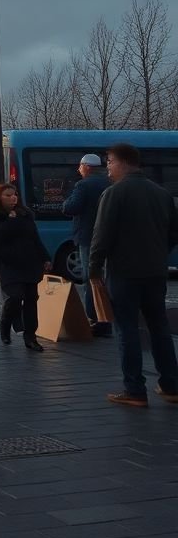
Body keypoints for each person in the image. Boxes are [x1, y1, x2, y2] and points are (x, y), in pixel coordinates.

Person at [88, 142, 178, 407]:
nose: (107, 168)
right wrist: (159, 252)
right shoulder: (162, 193)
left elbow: (101, 235)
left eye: (109, 162)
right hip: (155, 271)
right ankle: (171, 385)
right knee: (159, 327)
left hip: (124, 272)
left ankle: (135, 389)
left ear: (123, 162)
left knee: (126, 328)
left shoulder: (114, 193)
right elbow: (174, 233)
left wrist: (94, 268)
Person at [0, 183, 51, 351]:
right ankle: (5, 323)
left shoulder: (25, 214)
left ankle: (30, 336)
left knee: (31, 299)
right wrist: (10, 220)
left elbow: (34, 237)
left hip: (29, 262)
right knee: (15, 296)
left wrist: (45, 257)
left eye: (14, 194)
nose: (13, 198)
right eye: (8, 195)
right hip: (8, 264)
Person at [61, 153, 112, 336]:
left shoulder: (83, 185)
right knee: (106, 278)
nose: (78, 169)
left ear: (87, 167)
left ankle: (96, 319)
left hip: (88, 237)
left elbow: (70, 207)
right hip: (109, 237)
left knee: (91, 278)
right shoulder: (110, 182)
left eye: (80, 165)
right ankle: (109, 318)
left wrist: (66, 200)